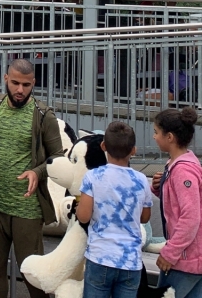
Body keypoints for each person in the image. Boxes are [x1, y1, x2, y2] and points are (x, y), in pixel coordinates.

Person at [0, 59, 66, 298]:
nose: (20, 90)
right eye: (15, 83)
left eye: (26, 84)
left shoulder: (44, 116)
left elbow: (58, 157)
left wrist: (37, 171)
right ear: (5, 79)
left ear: (34, 83)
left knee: (33, 274)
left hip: (28, 208)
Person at [150, 107, 202, 298]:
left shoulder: (183, 172)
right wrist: (160, 187)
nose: (154, 137)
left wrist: (169, 252)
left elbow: (190, 217)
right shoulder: (178, 165)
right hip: (195, 256)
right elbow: (177, 204)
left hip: (188, 258)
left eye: (156, 132)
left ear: (170, 137)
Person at [75, 121, 153, 298]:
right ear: (133, 150)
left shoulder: (93, 177)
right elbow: (145, 217)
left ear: (103, 146)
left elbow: (84, 217)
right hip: (131, 262)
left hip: (100, 256)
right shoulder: (141, 180)